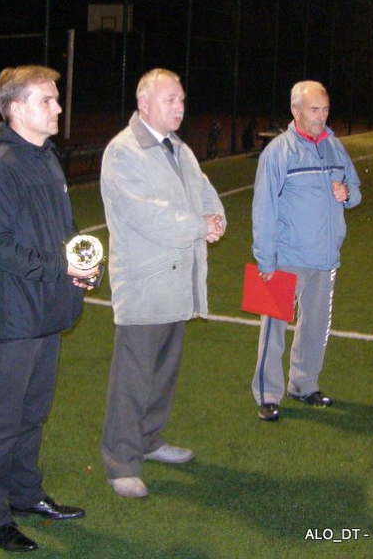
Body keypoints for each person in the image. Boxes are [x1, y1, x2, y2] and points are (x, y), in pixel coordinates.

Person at [0, 65, 99, 553]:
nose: (58, 107)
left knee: (32, 414)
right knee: (1, 423)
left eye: (56, 98)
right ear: (16, 108)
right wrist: (58, 268)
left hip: (47, 312)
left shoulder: (45, 159)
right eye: (47, 99)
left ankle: (25, 495)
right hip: (15, 320)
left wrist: (82, 263)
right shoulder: (1, 168)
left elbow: (65, 230)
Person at [99, 68, 226, 498]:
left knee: (163, 372)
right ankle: (121, 462)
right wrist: (199, 225)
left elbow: (205, 191)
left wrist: (216, 218)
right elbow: (147, 215)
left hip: (176, 285)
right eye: (170, 99)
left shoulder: (179, 149)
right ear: (144, 103)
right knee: (132, 379)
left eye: (182, 99)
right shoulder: (123, 152)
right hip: (144, 286)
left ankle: (149, 439)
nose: (179, 107)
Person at [251, 80, 361, 422]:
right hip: (285, 257)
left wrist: (347, 193)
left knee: (315, 326)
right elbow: (263, 208)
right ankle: (267, 395)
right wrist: (264, 259)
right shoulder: (277, 152)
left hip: (326, 258)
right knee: (272, 329)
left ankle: (303, 384)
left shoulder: (335, 147)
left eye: (325, 109)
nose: (321, 116)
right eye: (314, 110)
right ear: (295, 110)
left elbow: (355, 189)